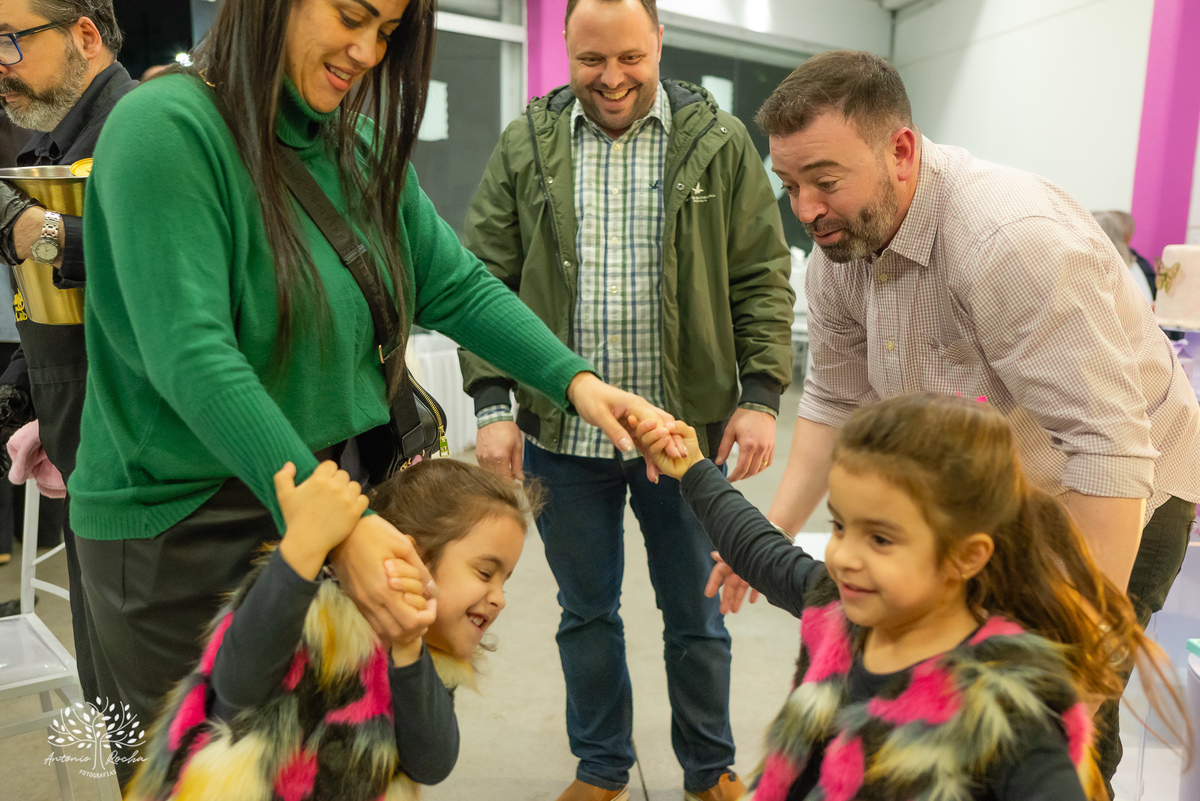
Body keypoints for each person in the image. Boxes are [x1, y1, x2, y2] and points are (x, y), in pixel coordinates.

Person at [70, 0, 681, 786]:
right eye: (352, 15)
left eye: (388, 31)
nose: (366, 50)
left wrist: (576, 380)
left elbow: (454, 284)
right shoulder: (166, 131)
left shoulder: (354, 144)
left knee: (325, 766)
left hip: (317, 505)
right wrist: (345, 527)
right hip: (182, 532)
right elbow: (195, 358)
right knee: (204, 772)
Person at [735, 50, 1200, 795]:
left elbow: (1110, 452)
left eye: (825, 181)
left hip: (1127, 487)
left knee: (1053, 716)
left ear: (901, 150)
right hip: (996, 492)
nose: (807, 208)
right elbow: (832, 399)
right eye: (790, 185)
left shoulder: (1009, 242)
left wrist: (1058, 658)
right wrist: (779, 524)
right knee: (955, 694)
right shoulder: (839, 253)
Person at [458, 0, 793, 798]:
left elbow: (760, 272)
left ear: (660, 45)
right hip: (562, 439)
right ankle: (602, 766)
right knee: (585, 613)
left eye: (631, 58)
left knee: (697, 616)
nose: (612, 79)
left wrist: (761, 393)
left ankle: (709, 768)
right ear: (566, 51)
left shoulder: (718, 143)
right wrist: (493, 404)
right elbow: (483, 276)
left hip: (683, 439)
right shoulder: (528, 144)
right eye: (591, 60)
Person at [634, 394, 1188, 801]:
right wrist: (694, 470)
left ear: (965, 556)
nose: (845, 556)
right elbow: (760, 551)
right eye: (841, 527)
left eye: (881, 538)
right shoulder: (845, 611)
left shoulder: (1003, 706)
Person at [125, 458, 536, 801]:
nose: (499, 598)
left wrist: (408, 649)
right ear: (412, 554)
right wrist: (300, 550)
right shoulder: (312, 604)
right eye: (486, 572)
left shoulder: (427, 653)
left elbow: (431, 763)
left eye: (506, 580)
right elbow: (236, 687)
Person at [0, 0, 135, 703]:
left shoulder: (144, 134)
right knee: (112, 699)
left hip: (149, 482)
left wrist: (35, 230)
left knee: (162, 715)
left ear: (85, 33)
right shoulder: (44, 150)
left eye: (10, 41)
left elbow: (156, 268)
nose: (0, 62)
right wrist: (22, 389)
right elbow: (60, 313)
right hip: (90, 468)